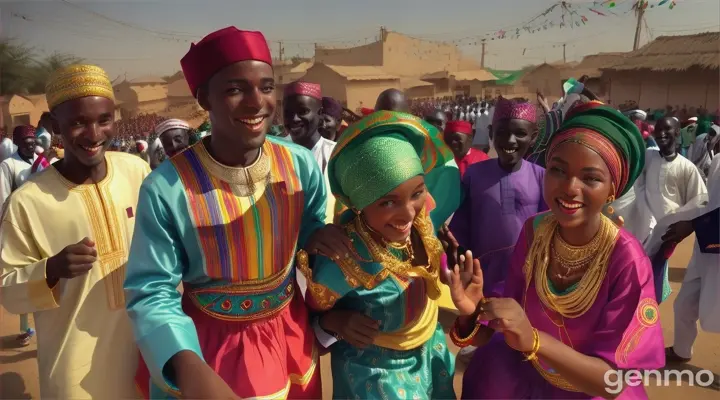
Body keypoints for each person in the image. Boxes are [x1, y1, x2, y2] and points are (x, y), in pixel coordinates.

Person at [125, 27, 351, 399]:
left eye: (265, 87)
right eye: (234, 89)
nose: (255, 102)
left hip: (289, 334)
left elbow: (310, 228)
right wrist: (188, 364)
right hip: (208, 347)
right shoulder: (167, 188)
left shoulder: (299, 166)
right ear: (204, 98)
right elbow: (151, 290)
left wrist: (318, 239)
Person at [451, 102, 663, 399]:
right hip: (524, 376)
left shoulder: (627, 260)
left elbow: (613, 382)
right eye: (558, 170)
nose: (569, 188)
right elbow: (507, 325)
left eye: (590, 178)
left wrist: (535, 340)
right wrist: (474, 311)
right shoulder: (535, 231)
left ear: (613, 189)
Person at [0, 64, 150, 398]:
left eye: (103, 120)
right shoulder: (27, 202)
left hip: (143, 349)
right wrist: (51, 270)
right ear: (55, 126)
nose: (94, 134)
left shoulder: (137, 172)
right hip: (73, 363)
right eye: (78, 122)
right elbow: (7, 290)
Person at [297, 111, 458, 399]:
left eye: (417, 193)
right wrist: (336, 323)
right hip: (373, 374)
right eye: (388, 202)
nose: (408, 212)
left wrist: (451, 275)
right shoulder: (342, 258)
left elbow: (432, 272)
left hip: (431, 353)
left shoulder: (423, 225)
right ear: (359, 203)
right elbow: (307, 328)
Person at [616, 117, 708, 304]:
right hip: (641, 223)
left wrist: (686, 226)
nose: (661, 134)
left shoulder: (687, 168)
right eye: (658, 130)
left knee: (653, 274)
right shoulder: (649, 156)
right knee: (629, 268)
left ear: (677, 133)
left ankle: (648, 308)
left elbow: (701, 202)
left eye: (667, 130)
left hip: (665, 234)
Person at [663, 153, 720, 363]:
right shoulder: (718, 160)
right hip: (705, 246)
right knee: (685, 304)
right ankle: (681, 350)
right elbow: (710, 202)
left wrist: (693, 225)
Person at [284, 81, 336, 222]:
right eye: (288, 113)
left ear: (319, 114)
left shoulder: (336, 154)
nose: (294, 119)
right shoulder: (274, 153)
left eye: (302, 112)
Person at [0, 125, 38, 207]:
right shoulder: (8, 164)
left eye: (33, 144)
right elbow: (3, 196)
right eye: (27, 144)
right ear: (18, 144)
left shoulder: (40, 160)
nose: (31, 147)